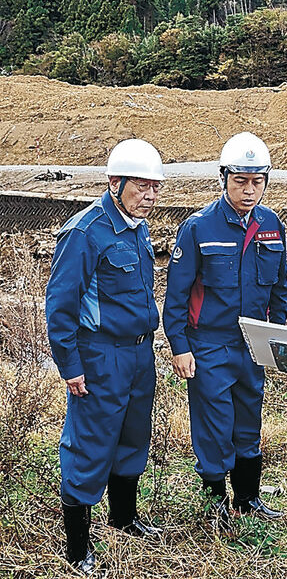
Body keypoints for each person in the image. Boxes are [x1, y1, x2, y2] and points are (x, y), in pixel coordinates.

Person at [46, 139, 165, 575]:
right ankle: (77, 546)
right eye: (142, 187)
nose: (150, 197)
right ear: (115, 183)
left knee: (133, 437)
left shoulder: (138, 227)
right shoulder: (85, 232)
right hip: (100, 357)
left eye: (156, 188)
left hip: (139, 355)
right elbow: (60, 306)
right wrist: (71, 366)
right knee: (91, 444)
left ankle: (123, 517)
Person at [163, 132, 287, 527]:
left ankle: (248, 499)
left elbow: (281, 291)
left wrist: (276, 340)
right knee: (214, 424)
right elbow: (176, 296)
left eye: (258, 181)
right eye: (240, 181)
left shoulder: (272, 226)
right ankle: (215, 504)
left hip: (252, 346)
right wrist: (180, 346)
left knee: (249, 419)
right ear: (223, 178)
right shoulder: (199, 228)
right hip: (210, 345)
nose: (249, 190)